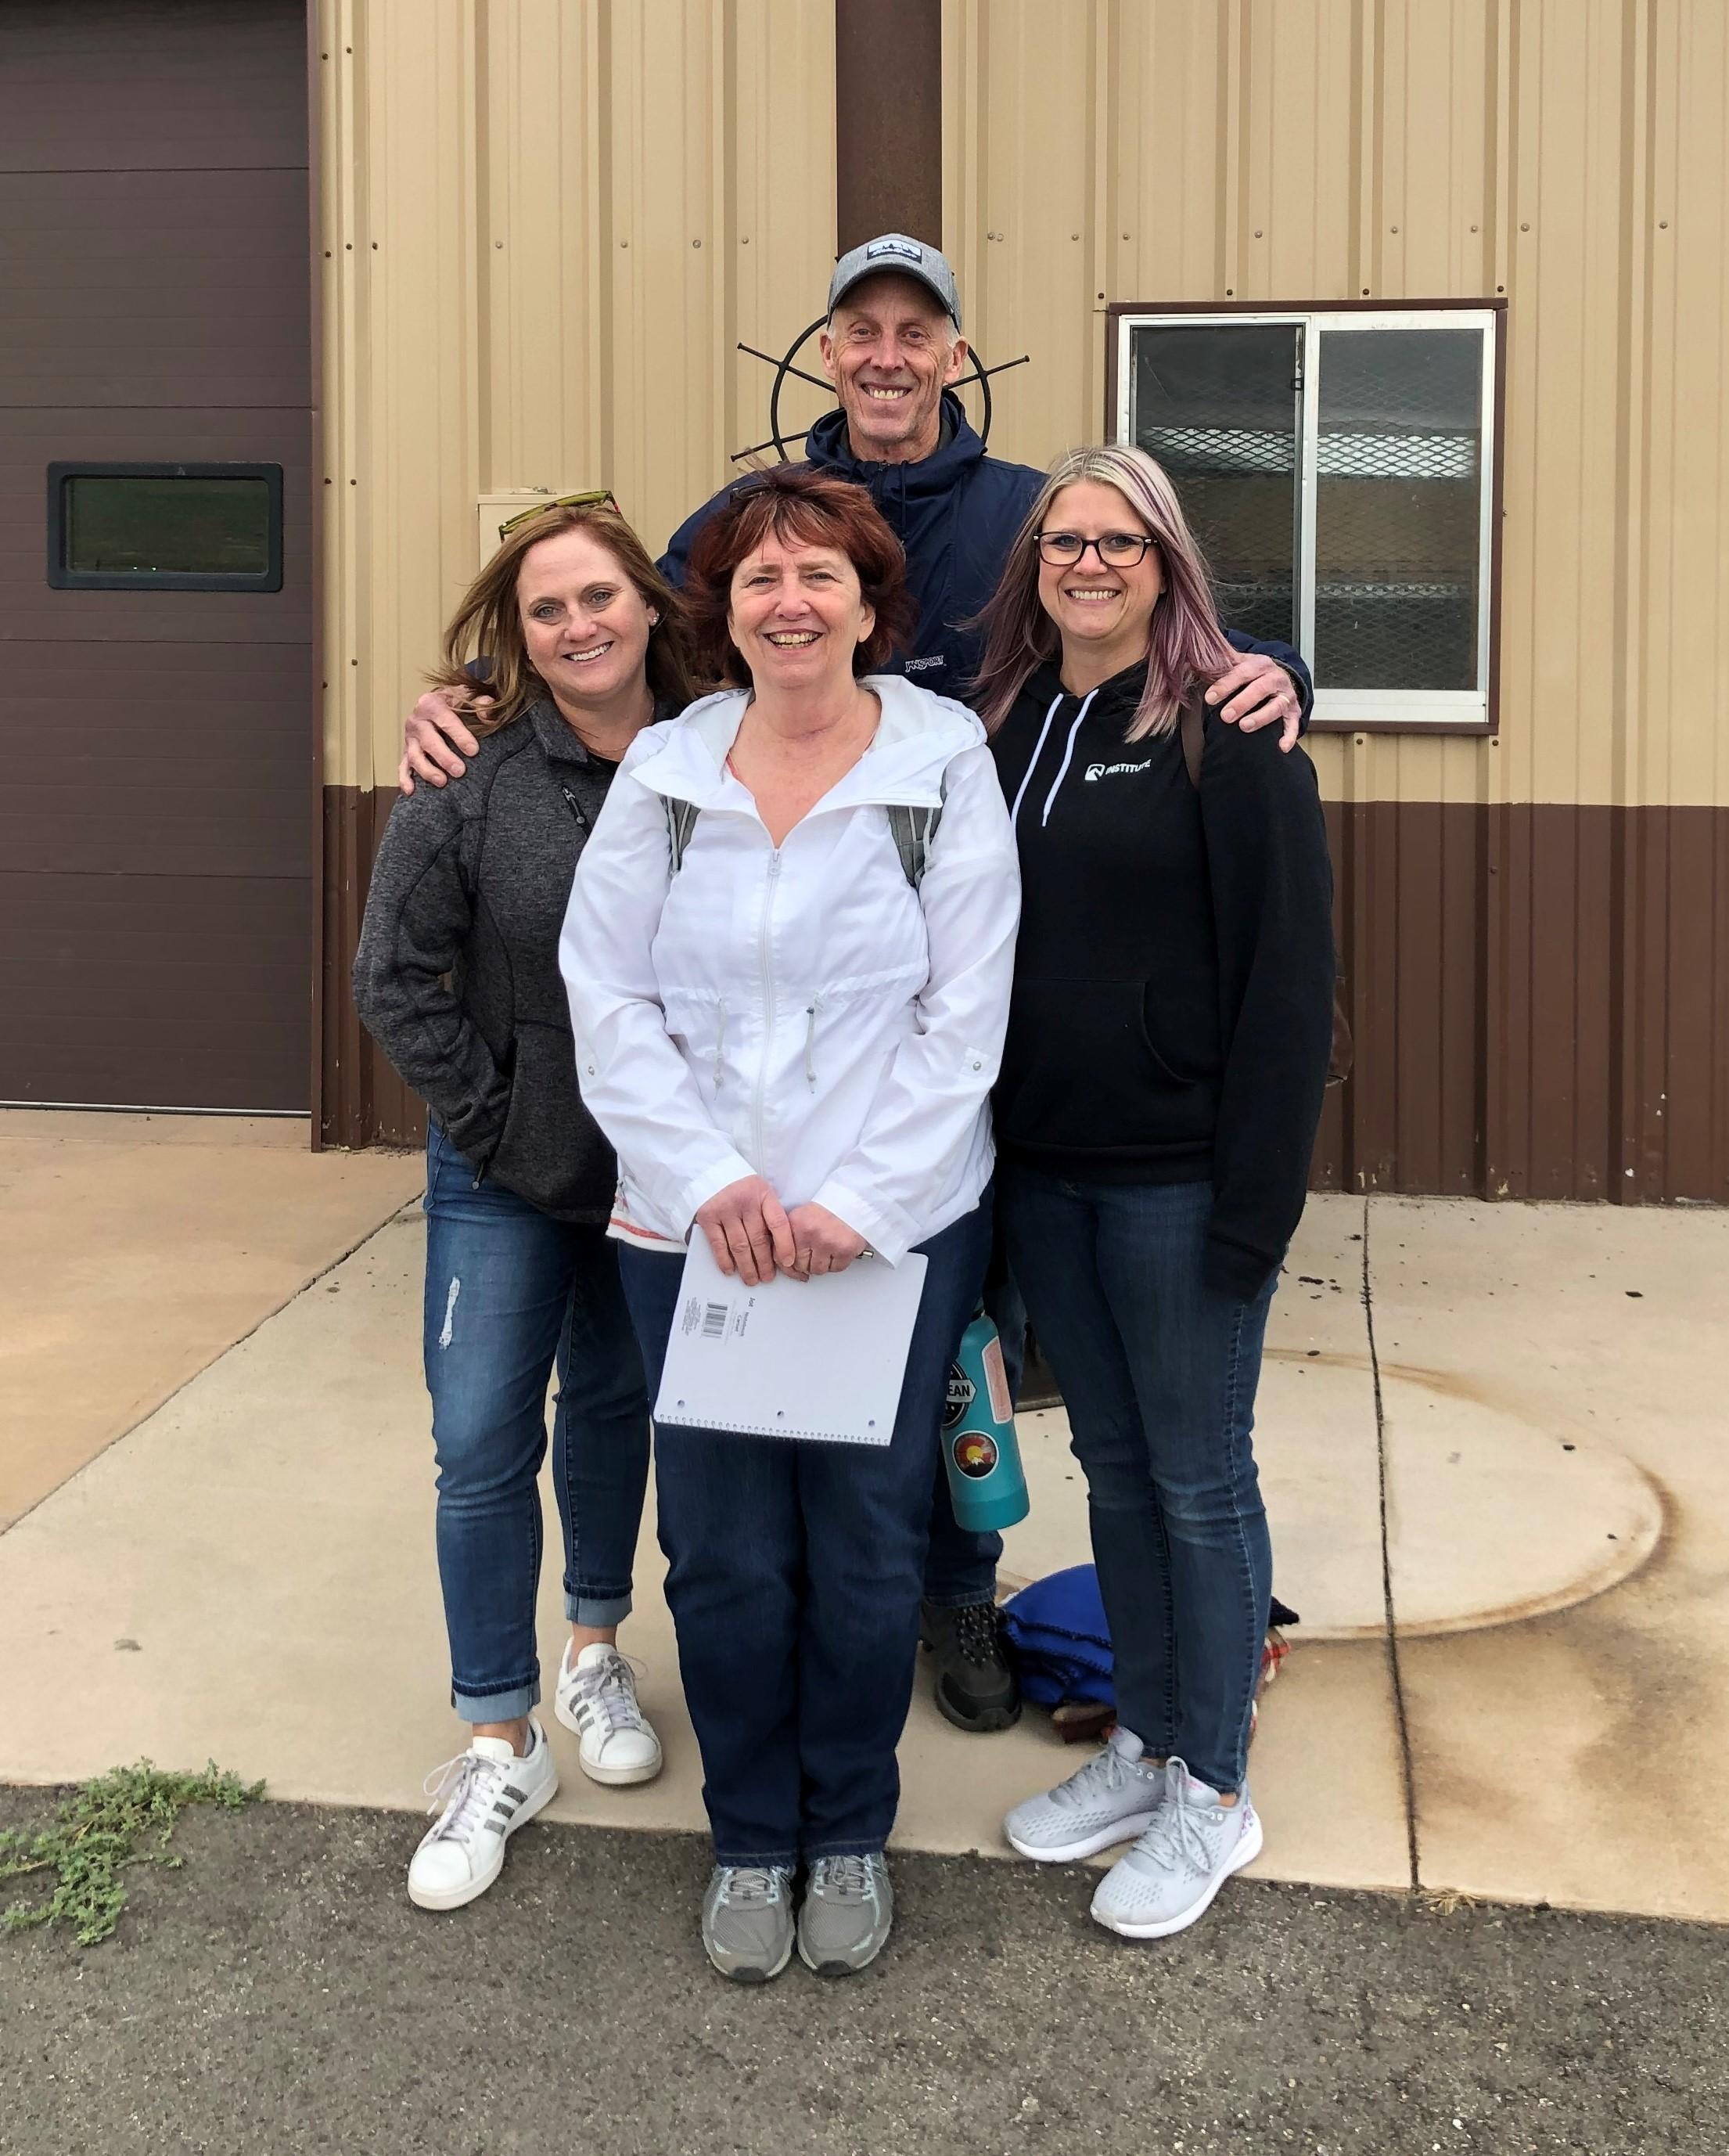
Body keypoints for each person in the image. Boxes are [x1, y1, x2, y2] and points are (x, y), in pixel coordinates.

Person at [397, 232, 1310, 1736]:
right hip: (783, 993)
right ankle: (761, 1639)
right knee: (770, 1383)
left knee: (949, 1351)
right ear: (824, 350)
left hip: (949, 1009)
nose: (887, 355)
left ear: (954, 354)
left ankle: (958, 1591)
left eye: (917, 330)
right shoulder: (726, 520)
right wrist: (472, 692)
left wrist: (1280, 664)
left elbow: (1138, 613)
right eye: (859, 328)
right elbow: (607, 627)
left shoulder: (1023, 512)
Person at [559, 466, 1019, 1980]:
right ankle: (755, 1839)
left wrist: (852, 1204)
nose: (789, 601)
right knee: (725, 1549)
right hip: (688, 1238)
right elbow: (605, 991)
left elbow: (966, 1017)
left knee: (870, 1543)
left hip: (884, 1234)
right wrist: (712, 1186)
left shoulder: (942, 766)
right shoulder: (670, 775)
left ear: (869, 605)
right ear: (724, 613)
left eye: (819, 574)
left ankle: (850, 1833)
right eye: (758, 579)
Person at [980, 445, 1335, 1941]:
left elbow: (1289, 985)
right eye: (1065, 541)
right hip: (1045, 1177)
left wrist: (1257, 1205)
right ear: (1035, 565)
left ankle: (1213, 1788)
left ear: (1166, 563)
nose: (1089, 563)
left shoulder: (1233, 733)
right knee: (1114, 1475)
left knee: (1199, 1482)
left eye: (1121, 542)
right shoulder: (995, 730)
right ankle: (1141, 1740)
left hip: (1181, 1187)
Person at [352, 498, 703, 1912]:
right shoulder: (472, 774)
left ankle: (595, 1651)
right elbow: (394, 977)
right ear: (518, 635)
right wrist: (496, 1122)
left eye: (599, 597)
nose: (578, 626)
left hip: (661, 1171)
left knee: (615, 1413)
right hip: (504, 1175)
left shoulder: (718, 750)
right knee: (482, 1438)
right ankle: (498, 1734)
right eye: (547, 609)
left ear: (648, 605)